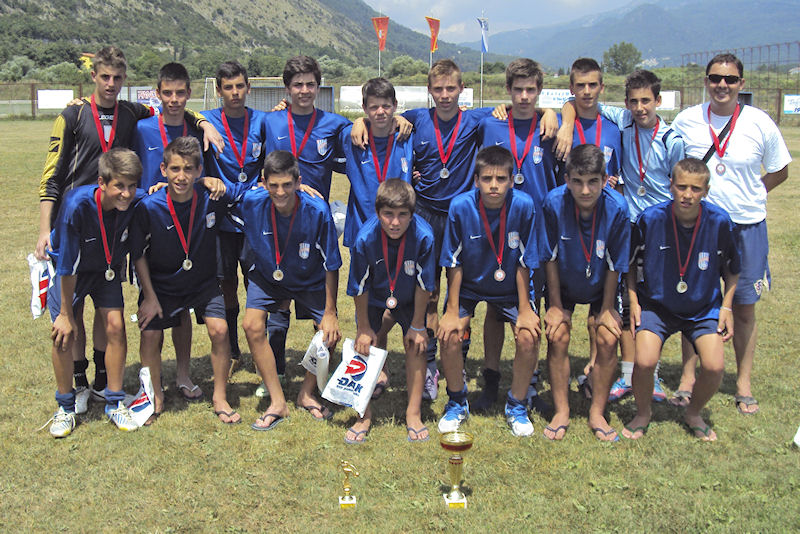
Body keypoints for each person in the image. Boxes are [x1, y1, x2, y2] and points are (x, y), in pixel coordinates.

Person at [36, 46, 221, 414]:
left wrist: (203, 122)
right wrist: (45, 227)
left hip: (120, 218)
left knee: (109, 308)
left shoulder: (132, 113)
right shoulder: (74, 115)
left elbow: (175, 109)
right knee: (74, 309)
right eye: (104, 77)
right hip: (79, 217)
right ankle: (78, 382)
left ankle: (103, 380)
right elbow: (52, 173)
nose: (111, 83)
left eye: (117, 78)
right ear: (93, 76)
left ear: (125, 80)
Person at [670, 53, 791, 415]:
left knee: (744, 306)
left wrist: (754, 194)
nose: (722, 85)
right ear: (706, 81)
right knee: (694, 303)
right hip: (700, 226)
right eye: (715, 78)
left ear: (741, 83)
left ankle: (743, 384)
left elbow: (780, 169)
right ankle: (687, 379)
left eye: (730, 79)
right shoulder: (687, 120)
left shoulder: (759, 121)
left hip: (746, 225)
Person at [559, 69, 685, 403]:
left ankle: (650, 374)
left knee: (652, 301)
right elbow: (578, 101)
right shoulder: (623, 120)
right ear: (626, 103)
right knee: (627, 301)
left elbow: (680, 184)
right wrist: (567, 120)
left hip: (661, 227)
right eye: (634, 101)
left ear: (658, 101)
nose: (640, 107)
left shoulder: (672, 140)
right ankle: (628, 373)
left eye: (646, 101)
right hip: (628, 224)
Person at [622, 158, 740, 441]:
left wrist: (726, 307)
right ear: (670, 186)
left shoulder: (720, 222)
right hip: (657, 306)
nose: (688, 194)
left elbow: (733, 270)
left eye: (696, 189)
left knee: (714, 366)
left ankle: (693, 412)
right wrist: (634, 301)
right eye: (682, 187)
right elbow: (631, 265)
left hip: (703, 308)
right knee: (644, 361)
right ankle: (643, 413)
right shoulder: (650, 219)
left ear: (706, 191)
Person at [131, 137, 238, 424]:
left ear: (199, 170)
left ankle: (219, 396)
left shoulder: (211, 197)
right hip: (162, 285)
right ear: (163, 169)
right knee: (150, 334)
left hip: (203, 282)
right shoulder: (149, 206)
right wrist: (149, 296)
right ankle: (154, 395)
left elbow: (250, 193)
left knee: (220, 330)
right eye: (175, 169)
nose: (181, 176)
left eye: (189, 169)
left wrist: (217, 183)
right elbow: (138, 255)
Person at [233, 150, 342, 430]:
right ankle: (278, 401)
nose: (280, 192)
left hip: (309, 278)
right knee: (251, 325)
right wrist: (205, 181)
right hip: (267, 276)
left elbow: (331, 264)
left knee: (329, 333)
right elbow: (221, 191)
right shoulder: (251, 200)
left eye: (287, 185)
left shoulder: (317, 210)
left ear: (298, 182)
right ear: (263, 183)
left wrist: (330, 312)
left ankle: (306, 393)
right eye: (274, 185)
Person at [437, 146, 541, 437]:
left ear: (511, 180)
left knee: (528, 335)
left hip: (510, 287)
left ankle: (517, 405)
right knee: (449, 334)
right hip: (469, 285)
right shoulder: (460, 207)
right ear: (476, 180)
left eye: (501, 179)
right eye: (486, 179)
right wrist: (451, 312)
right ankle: (457, 401)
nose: (494, 185)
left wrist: (525, 310)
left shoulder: (524, 206)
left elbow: (524, 262)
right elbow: (453, 263)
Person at [262, 55, 351, 386]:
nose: (304, 90)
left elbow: (362, 134)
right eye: (297, 84)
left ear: (318, 87)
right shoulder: (269, 122)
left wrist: (360, 125)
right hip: (277, 222)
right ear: (286, 88)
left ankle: (319, 375)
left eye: (310, 84)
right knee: (278, 299)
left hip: (314, 225)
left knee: (321, 303)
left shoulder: (334, 124)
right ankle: (276, 368)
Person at [44, 148, 145, 437]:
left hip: (106, 269)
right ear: (102, 183)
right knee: (64, 333)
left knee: (116, 326)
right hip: (71, 272)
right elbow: (67, 265)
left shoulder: (134, 201)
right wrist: (65, 314)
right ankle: (65, 407)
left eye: (132, 186)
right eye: (119, 186)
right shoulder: (76, 205)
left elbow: (162, 195)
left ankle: (114, 401)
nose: (126, 194)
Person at [476, 58, 557, 412]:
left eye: (531, 90)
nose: (524, 96)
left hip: (537, 230)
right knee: (495, 309)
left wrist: (555, 113)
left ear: (540, 91)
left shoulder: (552, 126)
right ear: (508, 90)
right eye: (518, 90)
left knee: (531, 306)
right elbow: (449, 113)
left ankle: (530, 383)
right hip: (497, 229)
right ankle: (491, 377)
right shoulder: (490, 123)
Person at [540, 144, 630, 441]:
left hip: (602, 283)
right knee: (557, 335)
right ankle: (562, 410)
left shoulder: (618, 208)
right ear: (566, 179)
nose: (585, 190)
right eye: (577, 181)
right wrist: (555, 305)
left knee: (607, 337)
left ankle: (597, 412)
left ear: (605, 180)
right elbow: (550, 258)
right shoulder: (554, 203)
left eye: (593, 182)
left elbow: (616, 263)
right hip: (564, 281)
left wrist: (607, 308)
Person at [134, 62, 211, 401]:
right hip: (152, 221)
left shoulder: (197, 128)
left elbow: (203, 173)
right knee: (153, 307)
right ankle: (151, 385)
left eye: (181, 93)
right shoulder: (142, 129)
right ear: (158, 93)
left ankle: (182, 374)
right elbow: (128, 171)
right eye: (168, 93)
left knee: (181, 311)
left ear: (189, 93)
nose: (174, 99)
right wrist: (145, 193)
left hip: (187, 224)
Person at [345, 179, 435, 443]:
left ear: (412, 213)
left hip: (409, 299)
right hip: (375, 297)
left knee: (417, 344)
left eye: (402, 215)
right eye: (388, 214)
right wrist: (364, 327)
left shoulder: (424, 236)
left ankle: (413, 414)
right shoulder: (365, 238)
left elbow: (424, 285)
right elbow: (359, 287)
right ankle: (363, 415)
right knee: (364, 346)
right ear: (377, 212)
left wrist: (417, 325)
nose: (395, 222)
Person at [201, 60, 271, 370]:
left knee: (257, 284)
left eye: (240, 86)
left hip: (254, 218)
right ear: (218, 91)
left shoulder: (262, 121)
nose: (235, 92)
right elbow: (169, 114)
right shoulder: (206, 120)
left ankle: (261, 349)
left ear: (248, 88)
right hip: (221, 218)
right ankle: (232, 350)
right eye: (228, 87)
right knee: (226, 282)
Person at [339, 78, 414, 248]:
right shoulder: (350, 137)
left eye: (386, 106)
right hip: (361, 226)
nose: (380, 112)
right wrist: (359, 121)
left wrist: (401, 118)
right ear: (364, 108)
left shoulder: (407, 137)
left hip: (398, 227)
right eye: (374, 107)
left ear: (395, 105)